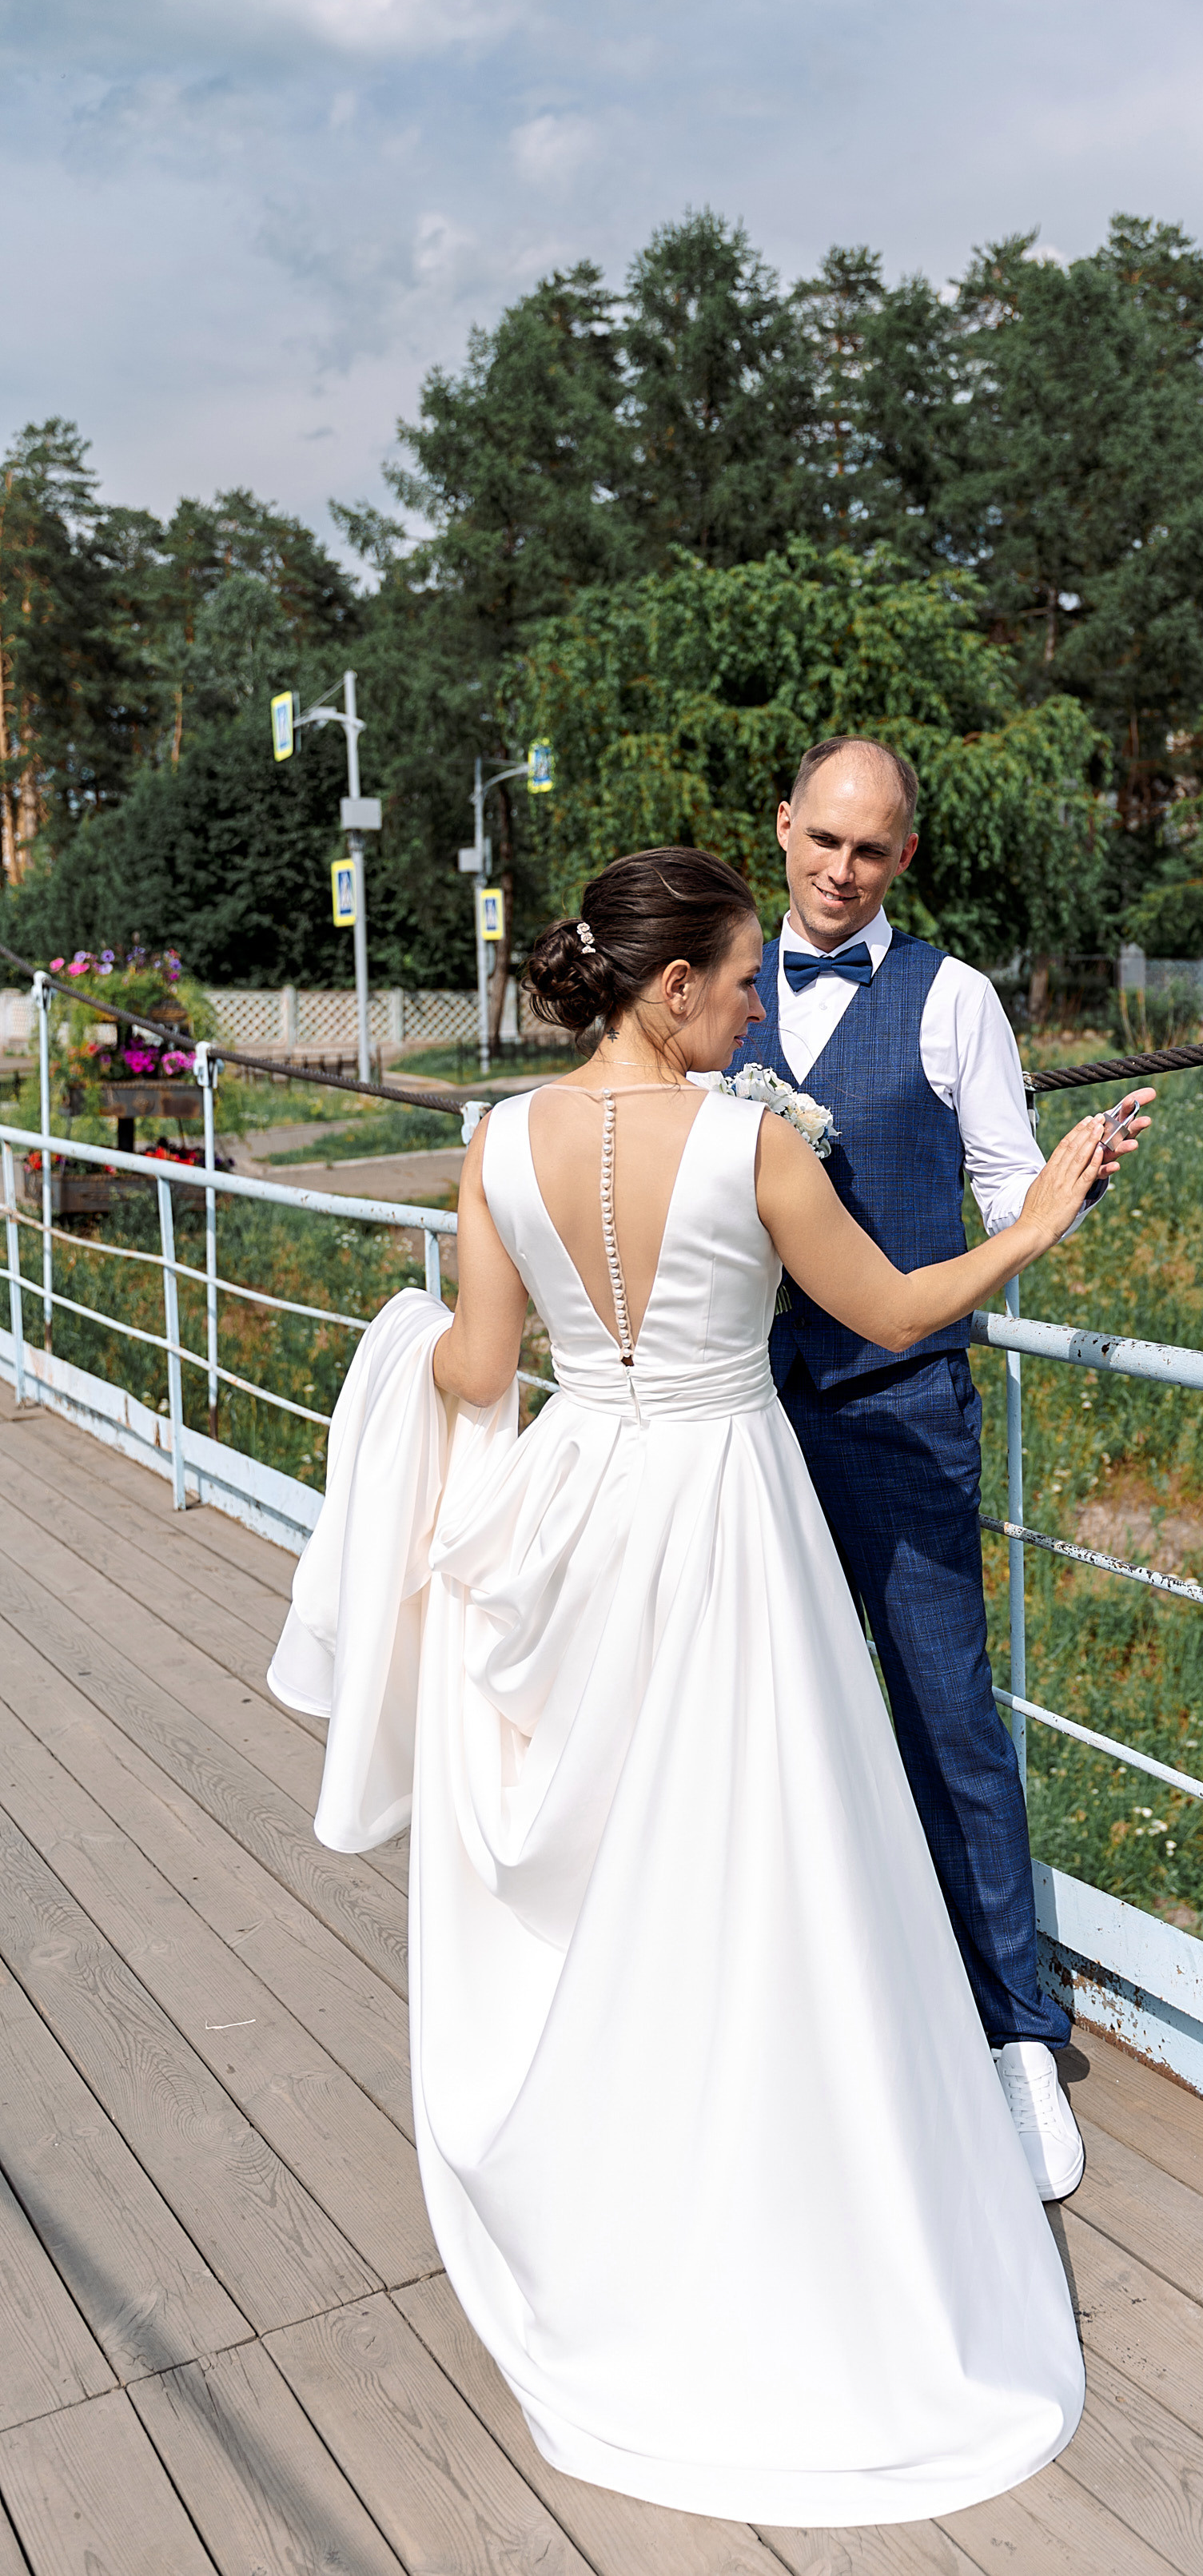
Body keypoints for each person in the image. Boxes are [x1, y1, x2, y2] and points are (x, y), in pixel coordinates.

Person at [268, 846, 1116, 2524]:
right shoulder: (748, 1149)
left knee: (618, 1873)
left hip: (588, 1514)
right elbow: (889, 1310)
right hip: (730, 1518)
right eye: (736, 989)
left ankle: (628, 2198)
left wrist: (397, 1346)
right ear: (671, 990)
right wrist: (1033, 1219)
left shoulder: (497, 1139)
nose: (752, 1016)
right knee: (764, 1861)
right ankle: (787, 2201)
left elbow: (479, 1366)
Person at [731, 737, 1152, 2200]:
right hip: (737, 1413)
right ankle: (786, 2009)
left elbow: (1003, 1187)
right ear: (782, 830)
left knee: (945, 1710)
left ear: (904, 856)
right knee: (755, 1708)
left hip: (901, 1405)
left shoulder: (953, 997)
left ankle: (1014, 2035)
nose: (841, 872)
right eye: (822, 841)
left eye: (872, 850)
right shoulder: (711, 983)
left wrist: (1063, 1195)